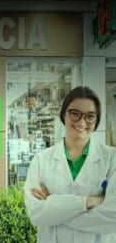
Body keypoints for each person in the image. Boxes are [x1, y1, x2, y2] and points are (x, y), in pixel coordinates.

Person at [24, 86, 116, 243]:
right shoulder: (41, 160)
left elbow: (113, 215)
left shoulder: (112, 158)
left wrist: (55, 208)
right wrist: (88, 202)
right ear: (64, 114)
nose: (82, 121)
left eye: (90, 116)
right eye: (75, 114)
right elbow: (36, 214)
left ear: (96, 120)